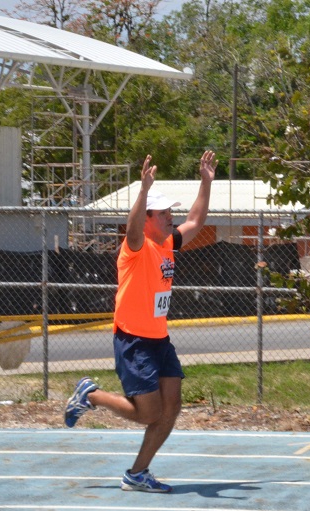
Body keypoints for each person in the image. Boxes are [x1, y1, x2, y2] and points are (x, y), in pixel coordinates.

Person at [64, 150, 218, 493]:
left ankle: (137, 473)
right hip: (133, 340)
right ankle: (92, 395)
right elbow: (133, 227)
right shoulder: (136, 246)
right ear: (148, 218)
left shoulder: (168, 244)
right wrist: (144, 191)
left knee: (172, 406)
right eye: (163, 214)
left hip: (158, 339)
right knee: (149, 413)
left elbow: (196, 220)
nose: (170, 217)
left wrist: (205, 182)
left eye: (169, 213)